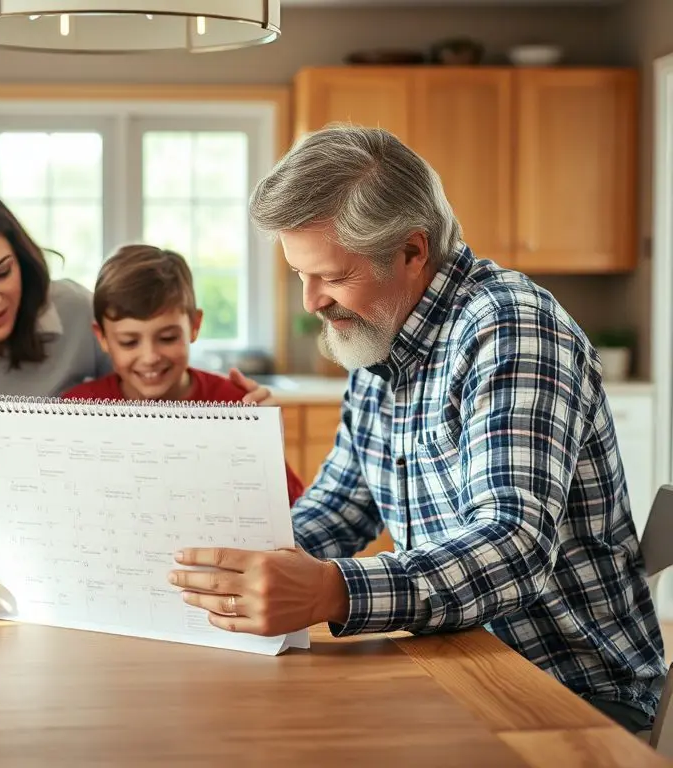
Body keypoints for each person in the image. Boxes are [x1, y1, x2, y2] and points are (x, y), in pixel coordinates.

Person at [166, 124, 667, 734]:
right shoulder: (376, 340)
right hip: (455, 662)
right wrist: (217, 565)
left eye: (332, 276)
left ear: (411, 250)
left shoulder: (509, 328)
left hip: (569, 693)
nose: (310, 301)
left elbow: (514, 544)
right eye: (300, 274)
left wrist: (331, 591)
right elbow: (340, 509)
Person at [0, 177, 275, 555]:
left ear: (22, 258)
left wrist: (238, 428)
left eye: (2, 272)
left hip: (88, 551)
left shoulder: (74, 312)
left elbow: (140, 387)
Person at [61, 243, 305, 506]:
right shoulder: (78, 409)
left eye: (167, 338)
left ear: (194, 325)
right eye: (129, 342)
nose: (150, 357)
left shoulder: (235, 406)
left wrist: (268, 444)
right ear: (103, 338)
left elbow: (292, 509)